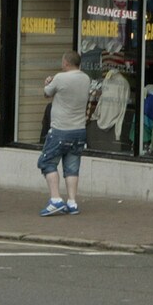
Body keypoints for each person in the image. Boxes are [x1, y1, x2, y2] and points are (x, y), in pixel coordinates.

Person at [37, 50, 92, 216]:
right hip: (79, 130)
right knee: (72, 167)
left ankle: (56, 200)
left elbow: (47, 93)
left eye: (63, 62)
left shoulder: (60, 77)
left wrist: (48, 81)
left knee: (47, 162)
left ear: (66, 63)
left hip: (60, 130)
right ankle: (72, 202)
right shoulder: (86, 78)